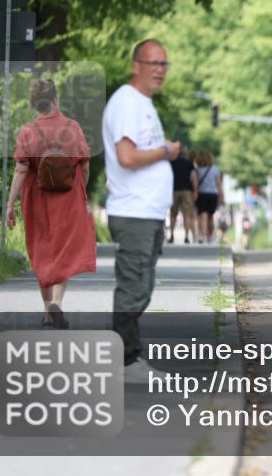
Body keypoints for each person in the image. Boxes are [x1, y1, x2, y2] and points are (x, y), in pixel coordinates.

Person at [102, 39, 180, 383]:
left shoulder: (143, 104)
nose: (159, 71)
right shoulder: (127, 103)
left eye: (164, 64)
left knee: (142, 286)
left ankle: (129, 359)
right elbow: (127, 157)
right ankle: (125, 361)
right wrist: (165, 151)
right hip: (133, 212)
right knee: (134, 287)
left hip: (147, 212)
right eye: (152, 64)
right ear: (136, 65)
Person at [5, 79, 96, 329]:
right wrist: (81, 192)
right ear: (55, 99)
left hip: (37, 201)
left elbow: (21, 170)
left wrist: (10, 204)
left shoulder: (27, 131)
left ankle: (47, 313)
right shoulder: (73, 127)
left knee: (42, 250)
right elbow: (85, 165)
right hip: (68, 200)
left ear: (35, 103)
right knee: (64, 250)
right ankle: (56, 302)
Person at [168, 146, 197, 244]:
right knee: (187, 214)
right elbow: (193, 177)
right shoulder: (189, 163)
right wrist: (195, 191)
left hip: (174, 190)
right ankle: (186, 236)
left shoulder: (171, 163)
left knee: (173, 214)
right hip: (186, 190)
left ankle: (171, 235)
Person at [193, 150, 223, 243]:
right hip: (213, 195)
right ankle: (211, 236)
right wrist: (221, 196)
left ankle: (203, 236)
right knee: (210, 217)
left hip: (202, 194)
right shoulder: (215, 169)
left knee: (203, 216)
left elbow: (196, 184)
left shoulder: (197, 170)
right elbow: (218, 184)